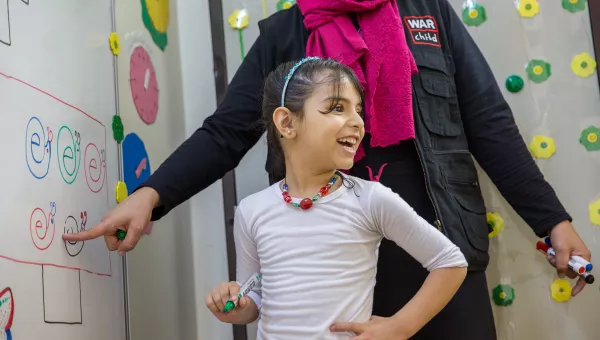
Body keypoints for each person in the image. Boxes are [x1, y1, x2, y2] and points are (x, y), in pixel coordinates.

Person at [64, 0, 592, 338]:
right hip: (325, 263)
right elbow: (226, 133)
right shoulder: (281, 33)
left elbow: (488, 122)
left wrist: (553, 220)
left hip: (437, 250)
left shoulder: (427, 11)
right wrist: (150, 194)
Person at [205, 57, 468, 339]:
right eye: (337, 108)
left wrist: (399, 327)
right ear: (286, 122)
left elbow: (450, 262)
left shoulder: (369, 200)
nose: (357, 122)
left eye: (358, 110)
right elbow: (254, 298)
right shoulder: (251, 210)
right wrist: (237, 305)